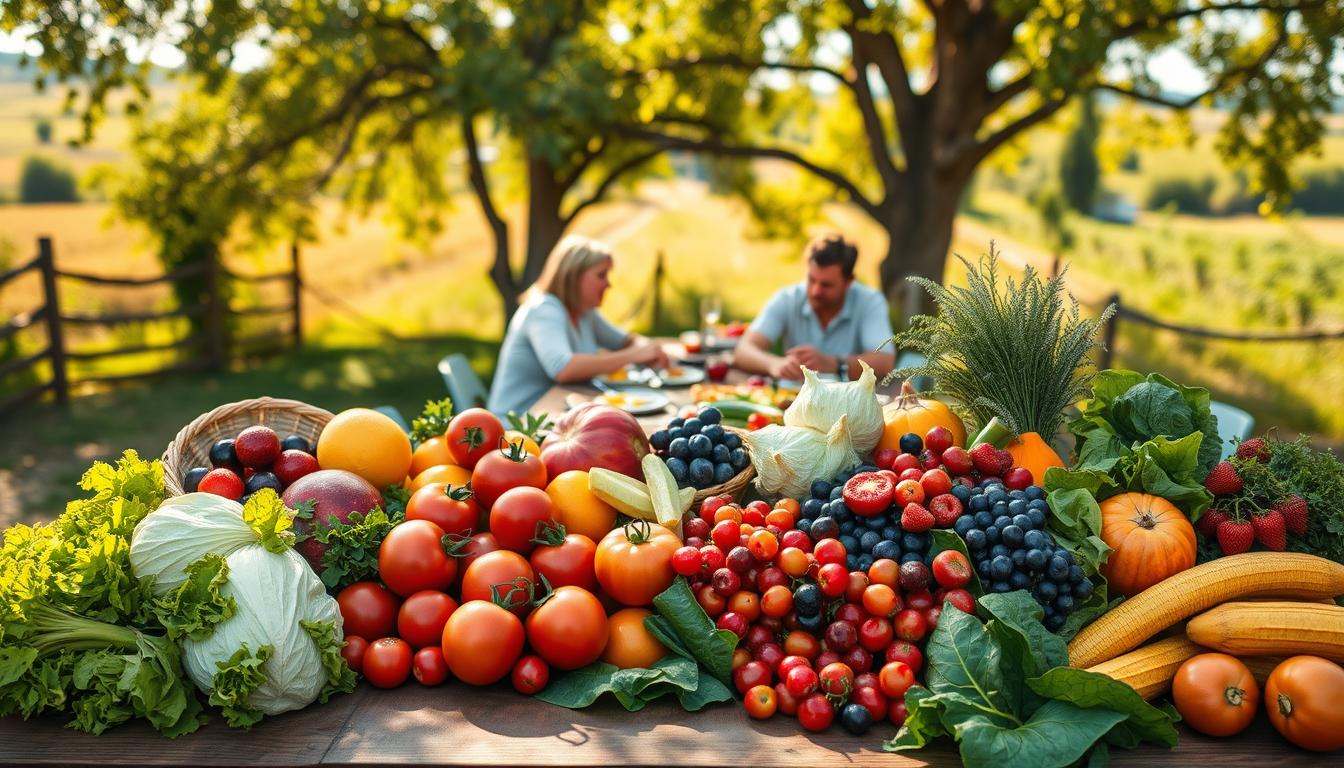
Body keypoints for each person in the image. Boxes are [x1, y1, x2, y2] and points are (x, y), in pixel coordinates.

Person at [488, 235, 668, 416]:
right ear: (572, 276)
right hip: (519, 425)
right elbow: (563, 368)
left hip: (555, 413)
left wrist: (647, 350)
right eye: (601, 275)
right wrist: (634, 355)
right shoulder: (543, 310)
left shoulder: (584, 312)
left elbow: (626, 340)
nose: (608, 284)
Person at [733, 234, 895, 381]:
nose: (815, 290)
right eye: (811, 280)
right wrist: (774, 364)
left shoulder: (870, 302)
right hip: (793, 402)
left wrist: (834, 364)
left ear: (848, 282)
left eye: (826, 285)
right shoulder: (788, 298)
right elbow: (743, 349)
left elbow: (884, 361)